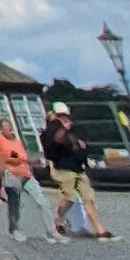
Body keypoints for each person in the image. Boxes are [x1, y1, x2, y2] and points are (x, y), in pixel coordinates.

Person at [39, 101, 114, 239]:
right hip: (62, 168)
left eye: (65, 116)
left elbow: (82, 146)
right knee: (69, 198)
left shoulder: (75, 130)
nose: (64, 119)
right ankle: (57, 220)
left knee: (89, 198)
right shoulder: (49, 132)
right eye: (60, 116)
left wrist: (83, 150)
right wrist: (62, 129)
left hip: (78, 168)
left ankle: (100, 230)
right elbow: (51, 150)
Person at [0, 119, 38, 237]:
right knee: (14, 201)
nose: (8, 128)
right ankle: (14, 228)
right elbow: (0, 157)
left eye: (9, 126)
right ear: (1, 128)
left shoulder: (16, 140)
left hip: (22, 173)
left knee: (20, 200)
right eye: (4, 126)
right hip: (9, 174)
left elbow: (21, 155)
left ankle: (15, 227)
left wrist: (23, 160)